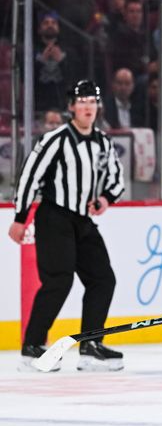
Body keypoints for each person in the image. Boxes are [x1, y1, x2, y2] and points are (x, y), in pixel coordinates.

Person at [9, 80, 125, 372]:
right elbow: (29, 177)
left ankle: (90, 346)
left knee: (103, 279)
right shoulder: (55, 139)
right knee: (59, 280)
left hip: (82, 221)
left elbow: (116, 179)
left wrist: (104, 198)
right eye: (81, 101)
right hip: (54, 217)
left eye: (92, 101)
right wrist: (21, 218)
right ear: (71, 106)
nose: (87, 106)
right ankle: (32, 347)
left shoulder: (103, 141)